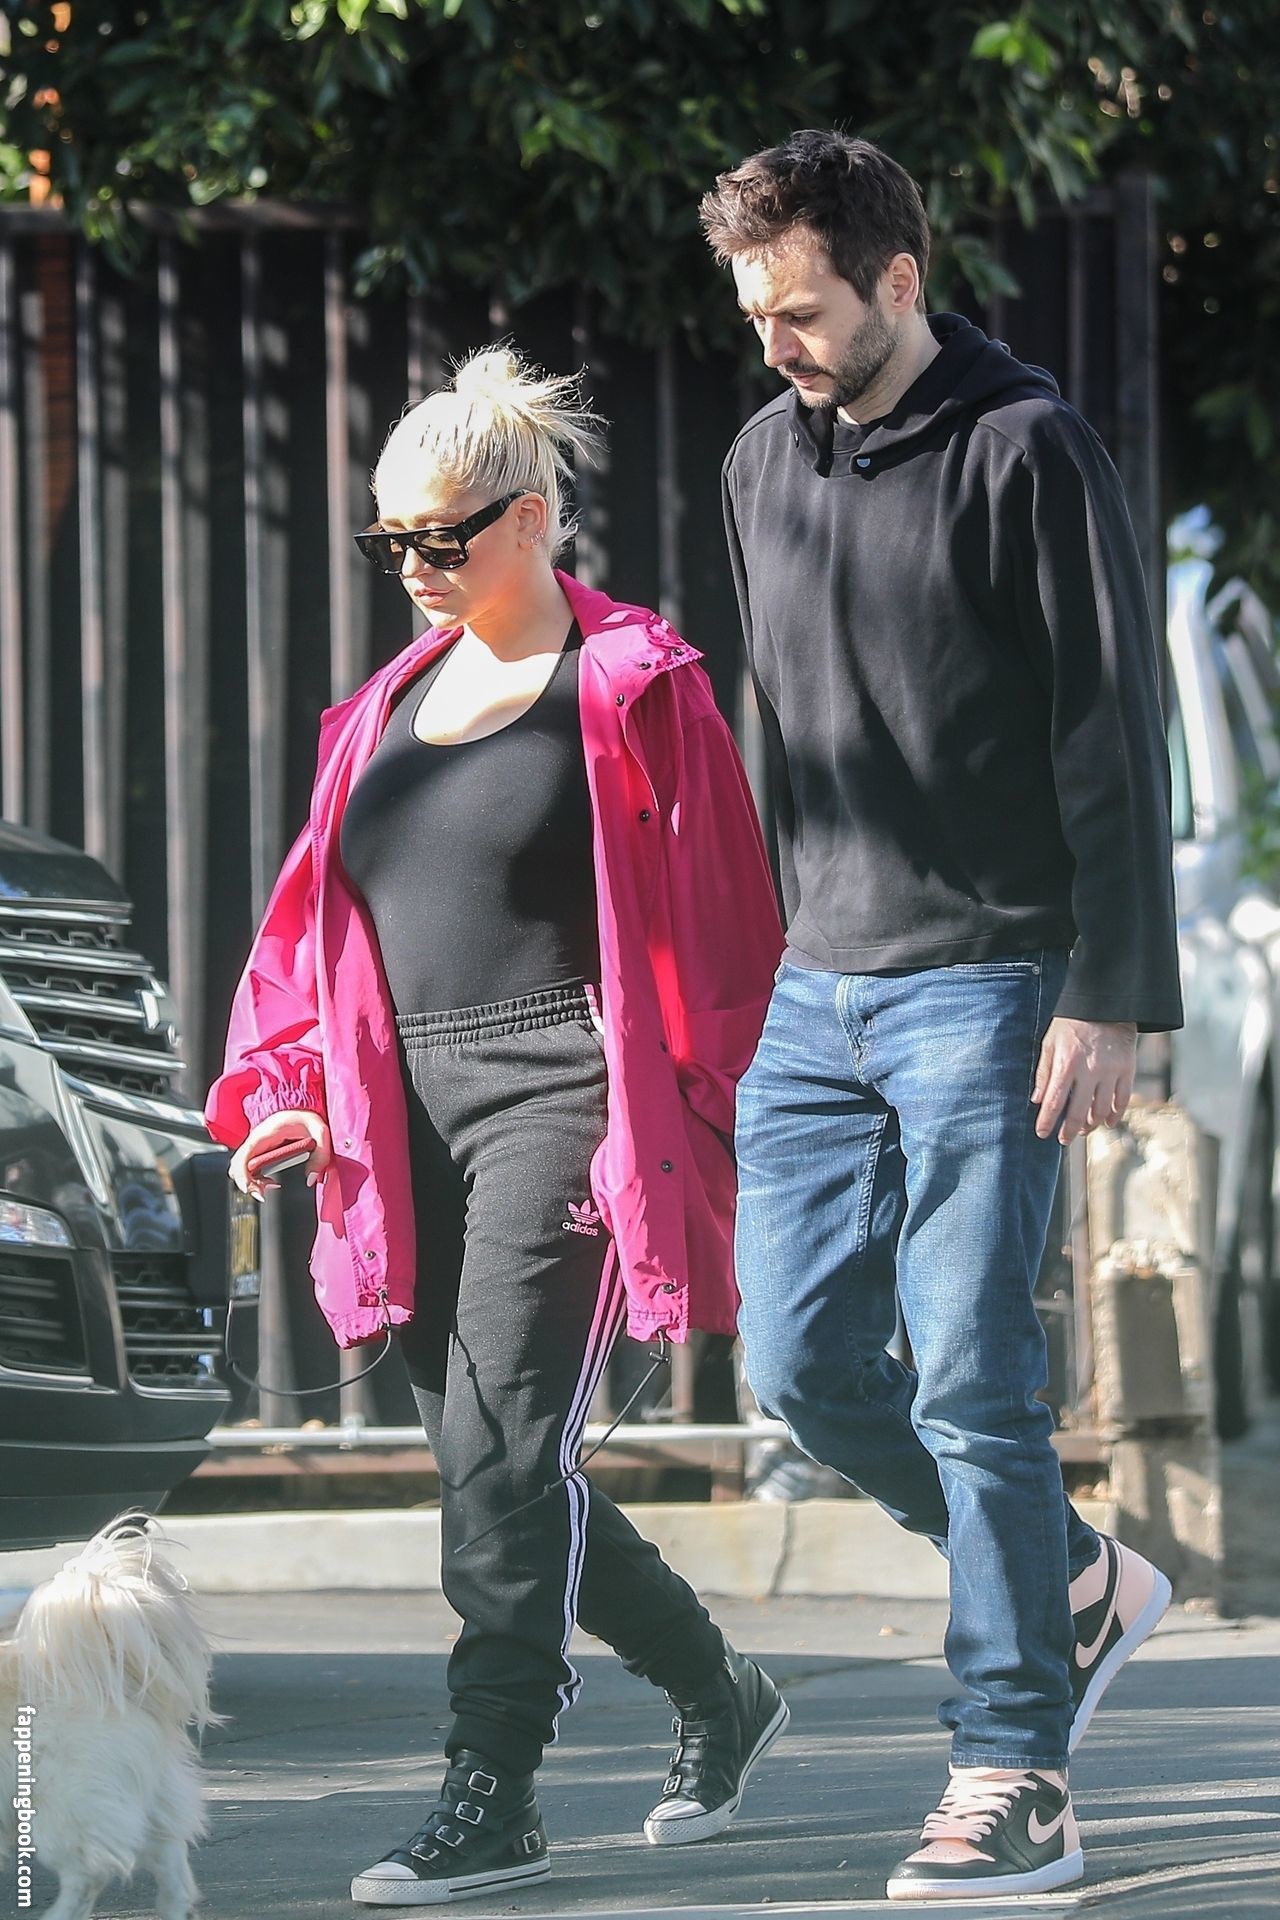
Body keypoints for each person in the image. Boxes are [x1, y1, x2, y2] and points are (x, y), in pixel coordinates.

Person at [205, 349, 789, 1906]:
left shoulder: (637, 686)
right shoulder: (381, 711)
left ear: (531, 519)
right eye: (389, 542)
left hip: (568, 1092)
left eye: (440, 538)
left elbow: (728, 925)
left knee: (508, 1455)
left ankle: (496, 1785)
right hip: (401, 1113)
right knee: (486, 1466)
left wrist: (738, 1122)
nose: (413, 568)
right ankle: (720, 1689)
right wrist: (289, 1094)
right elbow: (310, 936)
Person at [701, 131, 1182, 1902]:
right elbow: (782, 730)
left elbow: (1112, 725)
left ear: (898, 281)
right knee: (802, 1369)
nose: (775, 344)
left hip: (991, 977)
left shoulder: (1026, 445)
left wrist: (1111, 991)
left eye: (801, 310)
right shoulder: (760, 460)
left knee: (976, 1376)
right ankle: (1072, 1577)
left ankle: (1013, 1769)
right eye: (755, 313)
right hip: (816, 986)